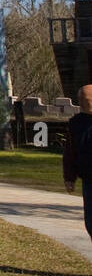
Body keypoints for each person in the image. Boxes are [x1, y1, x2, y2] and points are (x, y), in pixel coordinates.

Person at [63, 84, 92, 242]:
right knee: (90, 223)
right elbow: (70, 152)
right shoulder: (77, 123)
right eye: (82, 100)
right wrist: (69, 177)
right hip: (89, 180)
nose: (84, 103)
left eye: (87, 100)